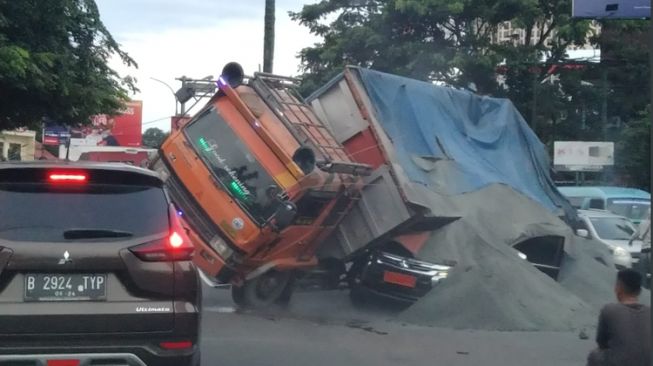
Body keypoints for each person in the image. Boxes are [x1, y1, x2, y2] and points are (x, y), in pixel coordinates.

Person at [587, 269, 651, 366]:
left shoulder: (609, 310)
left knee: (594, 355)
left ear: (618, 288)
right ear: (640, 291)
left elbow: (601, 343)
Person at [630, 209, 651, 289]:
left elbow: (636, 233)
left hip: (644, 251)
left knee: (643, 271)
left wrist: (631, 240)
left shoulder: (642, 223)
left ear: (648, 214)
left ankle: (644, 288)